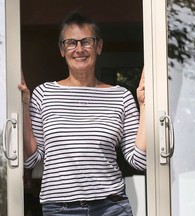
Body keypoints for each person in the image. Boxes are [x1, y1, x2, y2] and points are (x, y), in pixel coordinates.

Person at [18, 10, 146, 216]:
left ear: (99, 46)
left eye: (86, 41)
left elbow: (139, 160)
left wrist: (144, 105)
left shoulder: (120, 96)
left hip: (111, 207)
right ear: (62, 49)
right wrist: (24, 105)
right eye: (71, 43)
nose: (79, 49)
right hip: (60, 209)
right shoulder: (44, 94)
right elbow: (30, 160)